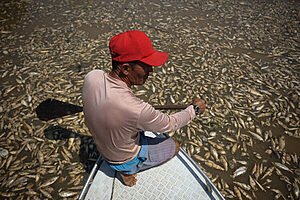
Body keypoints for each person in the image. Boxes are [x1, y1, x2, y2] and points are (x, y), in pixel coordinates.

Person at [82, 30, 206, 187]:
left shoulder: (92, 76)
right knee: (174, 146)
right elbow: (171, 123)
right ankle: (126, 172)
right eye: (146, 66)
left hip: (103, 148)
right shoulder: (138, 110)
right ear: (126, 69)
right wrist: (194, 109)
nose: (151, 71)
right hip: (123, 159)